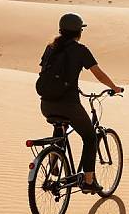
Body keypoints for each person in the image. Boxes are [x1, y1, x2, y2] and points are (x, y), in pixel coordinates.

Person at [39, 13, 122, 194]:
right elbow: (98, 74)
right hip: (69, 105)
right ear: (78, 31)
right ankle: (89, 180)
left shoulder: (50, 47)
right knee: (90, 137)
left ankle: (54, 160)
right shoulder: (80, 50)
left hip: (46, 104)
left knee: (60, 126)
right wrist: (114, 87)